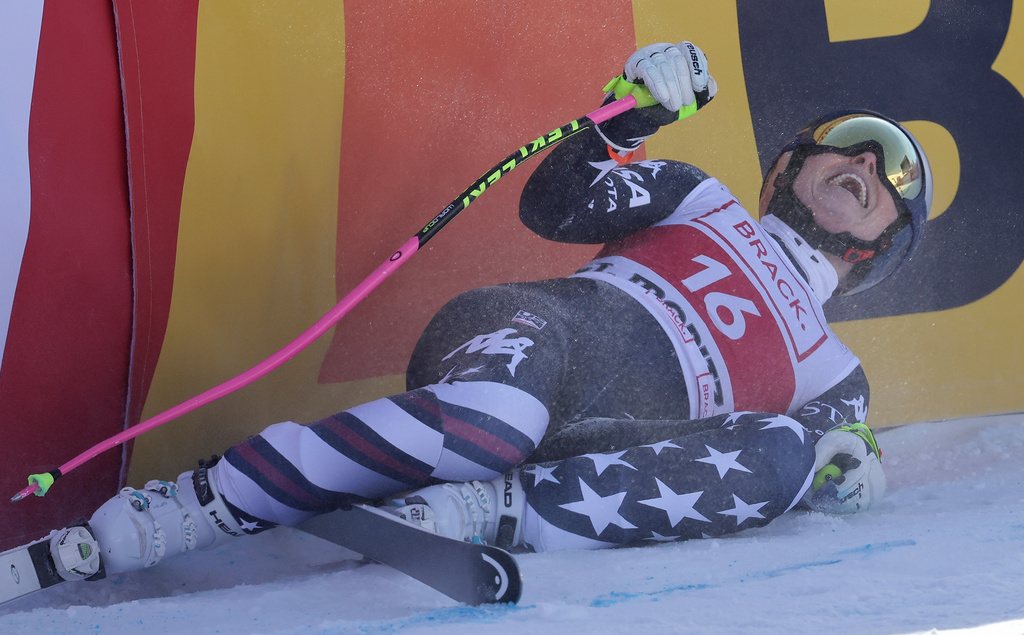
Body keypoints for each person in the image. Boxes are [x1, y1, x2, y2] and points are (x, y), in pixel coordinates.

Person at [44, 40, 931, 579]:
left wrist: (846, 470)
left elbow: (806, 478)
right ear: (789, 167)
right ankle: (198, 503)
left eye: (894, 176)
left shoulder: (836, 370)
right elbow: (554, 206)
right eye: (849, 145)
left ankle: (489, 509)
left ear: (884, 243)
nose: (869, 162)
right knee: (502, 414)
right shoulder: (704, 202)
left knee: (784, 449)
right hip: (535, 337)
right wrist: (623, 120)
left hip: (597, 456)